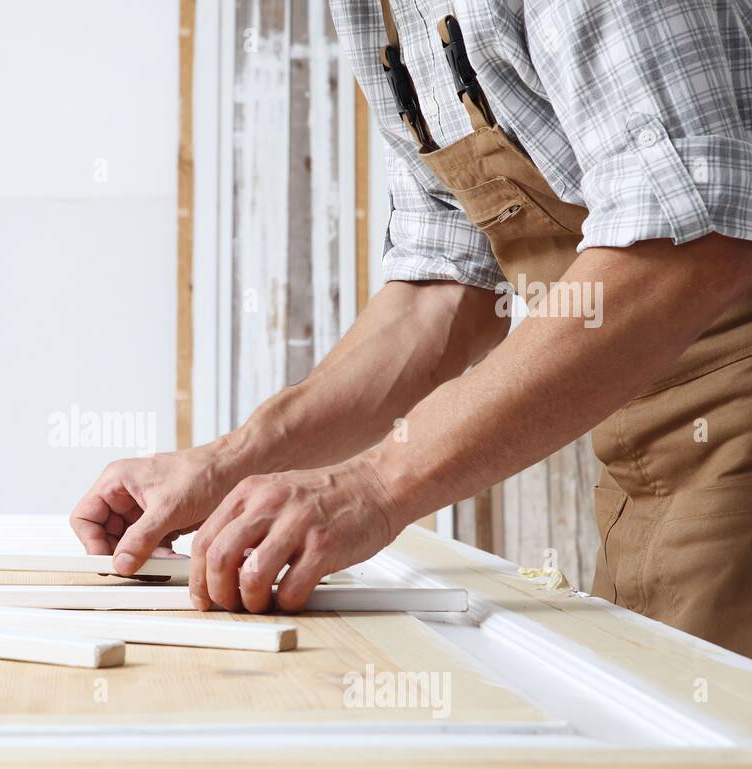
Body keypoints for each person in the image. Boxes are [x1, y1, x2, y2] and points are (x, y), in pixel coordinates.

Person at [70, 0, 752, 656]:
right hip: (647, 459)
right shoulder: (379, 11)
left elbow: (688, 251)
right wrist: (228, 465)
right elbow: (445, 289)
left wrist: (375, 487)